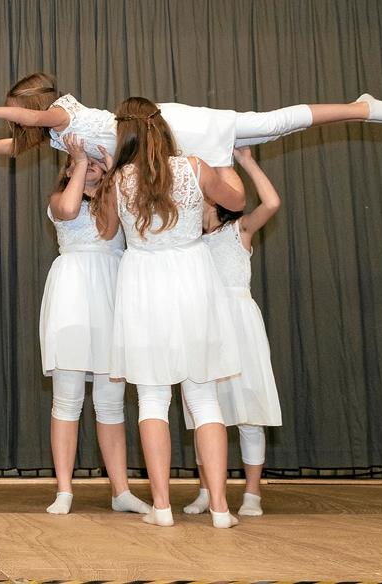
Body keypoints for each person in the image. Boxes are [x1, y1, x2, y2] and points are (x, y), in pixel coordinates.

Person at [94, 97, 246, 529]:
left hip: (143, 282)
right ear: (163, 129)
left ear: (125, 134)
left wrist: (107, 177)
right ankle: (220, 508)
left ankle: (161, 507)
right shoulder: (195, 167)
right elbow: (237, 199)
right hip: (193, 277)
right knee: (204, 398)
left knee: (152, 399)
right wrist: (225, 161)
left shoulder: (117, 181)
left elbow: (106, 232)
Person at [0, 72, 382, 168]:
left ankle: (364, 108)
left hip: (167, 128)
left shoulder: (64, 112)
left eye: (15, 111)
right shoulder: (56, 137)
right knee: (268, 134)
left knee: (270, 125)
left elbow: (34, 116)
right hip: (162, 151)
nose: (18, 124)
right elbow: (16, 144)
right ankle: (360, 108)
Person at [39, 135, 150, 517]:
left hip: (111, 297)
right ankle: (65, 490)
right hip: (71, 298)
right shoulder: (59, 201)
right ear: (68, 168)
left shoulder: (115, 203)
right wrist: (81, 162)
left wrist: (114, 170)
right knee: (66, 400)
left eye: (96, 164)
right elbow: (70, 208)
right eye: (80, 164)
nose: (90, 169)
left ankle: (120, 491)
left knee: (111, 403)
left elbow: (106, 230)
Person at [184, 147, 283, 518]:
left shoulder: (239, 229)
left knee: (248, 408)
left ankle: (252, 493)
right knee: (203, 410)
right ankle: (207, 490)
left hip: (240, 323)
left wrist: (248, 162)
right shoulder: (188, 240)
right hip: (205, 323)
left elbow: (271, 202)